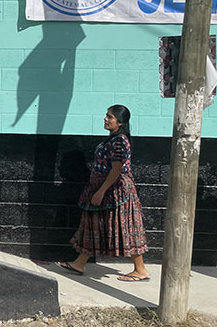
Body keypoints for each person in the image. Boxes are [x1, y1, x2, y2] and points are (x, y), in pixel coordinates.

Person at [57, 105, 149, 281]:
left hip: (116, 192)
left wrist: (101, 191)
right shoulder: (112, 140)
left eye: (110, 117)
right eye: (106, 116)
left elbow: (117, 169)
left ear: (120, 122)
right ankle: (80, 263)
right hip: (103, 188)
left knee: (126, 228)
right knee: (92, 225)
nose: (105, 119)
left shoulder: (119, 141)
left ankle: (141, 269)